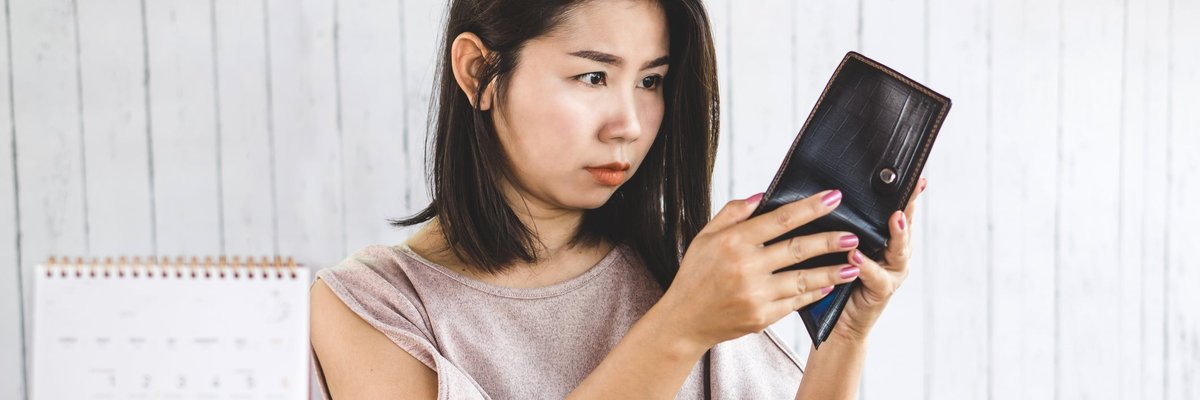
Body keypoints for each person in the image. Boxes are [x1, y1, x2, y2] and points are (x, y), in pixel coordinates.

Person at [309, 0, 925, 398]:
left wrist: (843, 338)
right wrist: (679, 327)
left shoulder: (685, 267)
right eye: (593, 76)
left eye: (651, 81)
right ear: (478, 73)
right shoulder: (370, 307)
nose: (629, 123)